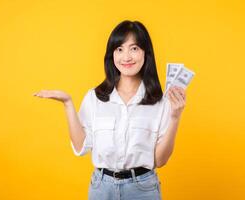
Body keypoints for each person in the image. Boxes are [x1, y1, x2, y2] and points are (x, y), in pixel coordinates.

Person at [33, 20, 186, 200]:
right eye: (119, 49)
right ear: (111, 55)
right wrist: (68, 103)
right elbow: (81, 146)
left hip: (142, 190)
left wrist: (175, 117)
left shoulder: (161, 102)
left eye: (134, 48)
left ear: (146, 53)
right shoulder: (94, 97)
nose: (126, 57)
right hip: (101, 188)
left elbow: (160, 161)